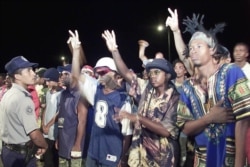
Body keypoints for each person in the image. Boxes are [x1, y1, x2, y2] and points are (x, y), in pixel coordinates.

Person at [166, 8, 250, 167]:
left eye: (198, 46)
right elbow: (185, 128)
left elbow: (244, 119)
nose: (193, 51)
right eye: (191, 48)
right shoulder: (187, 87)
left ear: (212, 50)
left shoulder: (231, 72)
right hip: (203, 159)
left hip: (230, 157)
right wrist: (209, 118)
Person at [102, 29, 180, 167]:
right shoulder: (146, 87)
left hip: (160, 159)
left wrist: (138, 118)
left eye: (157, 72)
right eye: (150, 72)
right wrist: (114, 50)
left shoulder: (175, 98)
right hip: (139, 155)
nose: (152, 75)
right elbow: (125, 73)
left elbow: (166, 131)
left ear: (167, 75)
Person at [69, 29, 132, 167]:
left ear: (117, 75)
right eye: (97, 72)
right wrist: (76, 52)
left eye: (103, 72)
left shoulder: (123, 100)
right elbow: (76, 77)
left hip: (112, 154)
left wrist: (123, 158)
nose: (99, 75)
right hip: (94, 151)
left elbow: (127, 134)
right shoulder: (96, 90)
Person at [0, 56, 48, 167]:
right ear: (17, 76)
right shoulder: (23, 98)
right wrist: (44, 146)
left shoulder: (8, 93)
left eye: (32, 69)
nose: (33, 73)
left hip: (8, 151)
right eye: (28, 70)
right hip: (20, 155)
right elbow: (34, 134)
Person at [56, 64, 89, 167]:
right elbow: (61, 117)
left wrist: (77, 145)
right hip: (63, 143)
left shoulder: (81, 95)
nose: (62, 76)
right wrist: (58, 137)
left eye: (66, 73)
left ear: (74, 76)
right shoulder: (63, 94)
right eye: (61, 74)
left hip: (74, 145)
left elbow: (82, 122)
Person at [232, 42, 250, 166]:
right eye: (236, 50)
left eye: (241, 50)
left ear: (247, 54)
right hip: (231, 115)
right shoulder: (229, 69)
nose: (238, 53)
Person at [42, 67, 63, 167]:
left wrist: (48, 125)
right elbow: (46, 108)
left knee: (55, 156)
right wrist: (43, 124)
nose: (47, 84)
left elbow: (59, 113)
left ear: (55, 80)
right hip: (46, 129)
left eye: (49, 81)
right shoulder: (47, 92)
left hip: (54, 130)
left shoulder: (62, 94)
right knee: (47, 156)